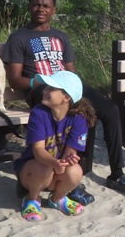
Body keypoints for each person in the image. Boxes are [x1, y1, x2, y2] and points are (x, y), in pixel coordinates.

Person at [3, 0, 125, 198]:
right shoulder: (19, 37)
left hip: (67, 86)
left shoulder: (61, 36)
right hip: (41, 89)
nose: (40, 8)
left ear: (53, 10)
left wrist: (75, 89)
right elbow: (14, 78)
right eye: (36, 4)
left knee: (110, 109)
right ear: (29, 7)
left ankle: (116, 173)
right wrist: (39, 81)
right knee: (76, 112)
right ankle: (73, 181)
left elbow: (71, 71)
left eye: (46, 5)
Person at [15, 70, 96, 221]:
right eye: (46, 87)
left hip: (55, 172)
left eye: (51, 89)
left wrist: (68, 159)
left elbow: (70, 150)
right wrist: (54, 163)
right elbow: (38, 150)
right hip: (32, 172)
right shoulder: (39, 112)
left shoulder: (78, 118)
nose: (45, 91)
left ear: (67, 97)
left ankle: (57, 199)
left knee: (76, 171)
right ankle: (32, 199)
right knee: (43, 166)